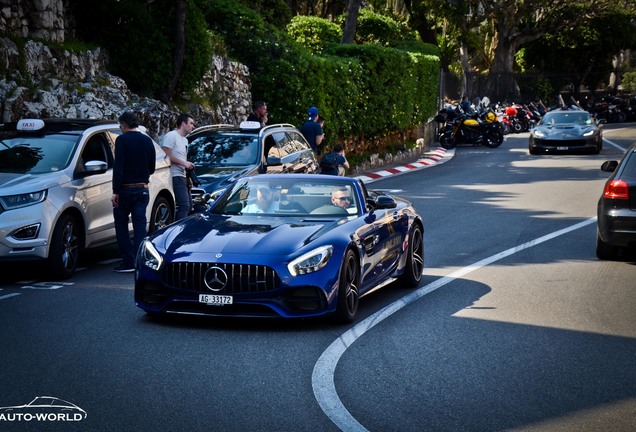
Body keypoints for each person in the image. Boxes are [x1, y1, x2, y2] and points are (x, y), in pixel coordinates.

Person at [111, 111, 156, 273]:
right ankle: (139, 260)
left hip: (125, 190)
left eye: (120, 125)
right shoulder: (147, 140)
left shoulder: (122, 140)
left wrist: (115, 191)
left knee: (121, 224)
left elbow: (119, 168)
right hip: (142, 189)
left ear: (124, 124)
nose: (120, 128)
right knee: (140, 226)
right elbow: (152, 167)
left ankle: (127, 261)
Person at [161, 113, 195, 221]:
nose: (192, 126)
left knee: (189, 206)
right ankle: (176, 231)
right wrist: (184, 163)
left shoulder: (185, 140)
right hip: (174, 175)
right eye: (190, 123)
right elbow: (165, 156)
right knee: (184, 205)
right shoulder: (171, 136)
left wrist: (188, 176)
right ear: (183, 123)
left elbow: (182, 158)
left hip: (183, 175)